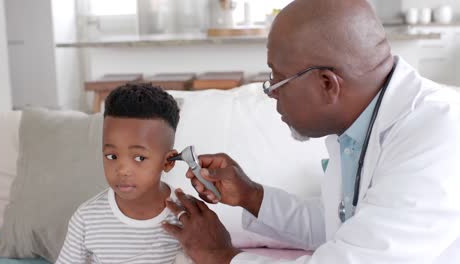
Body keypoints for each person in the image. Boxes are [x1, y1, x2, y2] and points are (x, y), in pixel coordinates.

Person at [162, 0, 460, 263]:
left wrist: (222, 257)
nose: (270, 93)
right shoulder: (358, 125)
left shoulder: (438, 136)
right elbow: (341, 225)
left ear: (328, 84)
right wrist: (250, 195)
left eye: (277, 80)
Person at [57, 83, 192, 263]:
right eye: (112, 156)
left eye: (139, 158)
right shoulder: (86, 219)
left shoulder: (187, 216)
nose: (122, 170)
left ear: (167, 162)